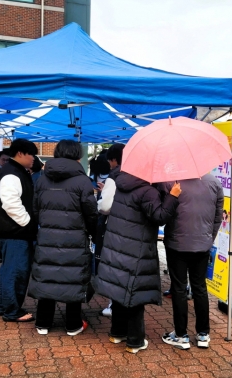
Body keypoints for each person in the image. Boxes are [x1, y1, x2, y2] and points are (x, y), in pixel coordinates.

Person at [94, 173, 181, 354]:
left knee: (119, 288)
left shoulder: (122, 185)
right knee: (135, 294)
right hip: (137, 247)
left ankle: (117, 333)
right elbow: (160, 216)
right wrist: (172, 196)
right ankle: (135, 341)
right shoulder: (147, 191)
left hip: (118, 245)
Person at [29, 140, 98, 336]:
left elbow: (35, 209)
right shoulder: (82, 180)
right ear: (78, 156)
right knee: (73, 277)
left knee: (47, 274)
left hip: (47, 235)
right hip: (75, 237)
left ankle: (43, 323)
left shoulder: (42, 178)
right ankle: (73, 324)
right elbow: (91, 212)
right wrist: (92, 232)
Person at [158, 174, 223, 350]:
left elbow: (164, 212)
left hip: (176, 244)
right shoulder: (215, 183)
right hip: (202, 245)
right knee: (200, 287)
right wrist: (209, 238)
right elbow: (218, 217)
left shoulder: (171, 182)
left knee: (179, 288)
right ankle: (203, 334)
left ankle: (181, 335)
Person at [0, 139, 38, 322]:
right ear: (20, 153)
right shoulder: (12, 173)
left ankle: (6, 306)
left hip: (12, 232)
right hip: (15, 232)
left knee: (9, 271)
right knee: (16, 272)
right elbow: (10, 203)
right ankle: (12, 310)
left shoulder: (14, 170)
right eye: (31, 154)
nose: (33, 158)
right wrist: (27, 222)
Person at [95, 143, 125, 317]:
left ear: (114, 160)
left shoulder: (114, 177)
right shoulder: (139, 175)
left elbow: (106, 206)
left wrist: (101, 199)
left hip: (114, 228)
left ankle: (114, 305)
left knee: (113, 268)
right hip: (134, 231)